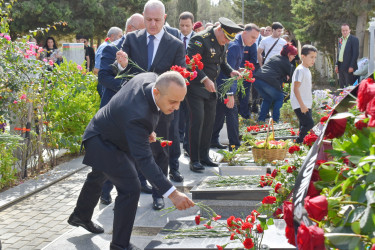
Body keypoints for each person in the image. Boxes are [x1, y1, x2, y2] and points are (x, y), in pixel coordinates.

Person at [68, 71, 195, 250]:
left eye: (180, 101)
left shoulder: (150, 78)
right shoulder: (138, 116)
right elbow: (145, 161)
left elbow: (132, 109)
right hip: (101, 141)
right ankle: (120, 245)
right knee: (130, 188)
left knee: (99, 175)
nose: (176, 107)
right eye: (173, 102)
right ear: (157, 92)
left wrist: (145, 131)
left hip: (112, 130)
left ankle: (80, 215)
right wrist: (173, 194)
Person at [116, 0, 186, 210]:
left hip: (163, 109)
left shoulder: (175, 44)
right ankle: (136, 186)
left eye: (157, 19)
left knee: (160, 152)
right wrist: (122, 65)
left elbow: (180, 73)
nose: (153, 24)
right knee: (134, 148)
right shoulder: (130, 39)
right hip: (136, 108)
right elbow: (120, 70)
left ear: (164, 18)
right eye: (148, 20)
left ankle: (159, 193)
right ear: (143, 18)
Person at [98, 14, 148, 206]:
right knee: (114, 152)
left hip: (136, 110)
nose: (144, 34)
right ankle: (104, 190)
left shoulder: (140, 49)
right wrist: (127, 88)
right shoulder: (112, 48)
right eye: (140, 30)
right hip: (114, 109)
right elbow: (103, 77)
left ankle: (141, 182)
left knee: (136, 148)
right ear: (130, 29)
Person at [186, 17, 242, 172]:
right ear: (219, 30)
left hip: (212, 88)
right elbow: (190, 62)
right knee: (197, 122)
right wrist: (204, 79)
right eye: (225, 38)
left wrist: (231, 71)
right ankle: (194, 159)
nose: (226, 42)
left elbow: (222, 62)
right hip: (196, 88)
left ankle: (204, 156)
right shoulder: (200, 39)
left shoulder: (222, 42)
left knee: (209, 123)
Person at [211, 23, 260, 150]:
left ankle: (213, 139)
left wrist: (239, 69)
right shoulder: (235, 46)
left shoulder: (239, 45)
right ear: (244, 33)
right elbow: (227, 75)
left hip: (223, 86)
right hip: (225, 86)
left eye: (256, 38)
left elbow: (230, 67)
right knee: (232, 114)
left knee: (220, 114)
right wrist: (230, 95)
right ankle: (234, 145)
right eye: (252, 37)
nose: (254, 41)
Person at [167, 11, 196, 183]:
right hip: (173, 87)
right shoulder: (174, 38)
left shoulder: (196, 39)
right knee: (175, 124)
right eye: (182, 25)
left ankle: (186, 147)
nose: (184, 29)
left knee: (186, 117)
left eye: (187, 25)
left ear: (192, 24)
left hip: (190, 85)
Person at [253, 43, 298, 123]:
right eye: (294, 55)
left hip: (257, 79)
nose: (294, 58)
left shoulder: (275, 57)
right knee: (279, 97)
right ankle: (275, 120)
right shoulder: (287, 63)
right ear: (289, 54)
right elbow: (293, 78)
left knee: (267, 98)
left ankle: (261, 120)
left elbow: (274, 70)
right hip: (268, 81)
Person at [290, 45, 318, 143]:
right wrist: (302, 105)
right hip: (300, 103)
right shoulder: (300, 70)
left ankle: (301, 146)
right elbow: (295, 88)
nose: (313, 60)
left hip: (306, 103)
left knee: (303, 125)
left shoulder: (307, 70)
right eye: (311, 57)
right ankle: (298, 143)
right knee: (309, 124)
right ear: (303, 56)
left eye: (315, 57)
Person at [93, 27, 123, 98]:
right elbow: (97, 69)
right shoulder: (106, 47)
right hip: (104, 84)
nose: (122, 39)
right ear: (112, 36)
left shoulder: (107, 46)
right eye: (120, 36)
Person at [335, 23, 359, 88]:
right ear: (341, 31)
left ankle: (348, 97)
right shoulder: (340, 40)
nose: (345, 32)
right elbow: (339, 53)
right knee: (341, 85)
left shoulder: (354, 39)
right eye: (343, 30)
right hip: (340, 65)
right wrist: (336, 65)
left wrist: (351, 66)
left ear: (349, 30)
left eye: (346, 30)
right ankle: (342, 97)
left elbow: (355, 54)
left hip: (349, 66)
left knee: (348, 86)